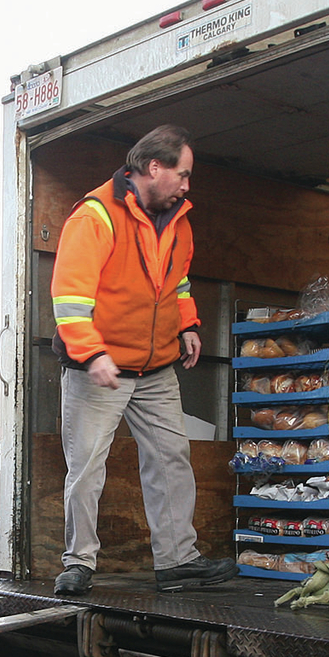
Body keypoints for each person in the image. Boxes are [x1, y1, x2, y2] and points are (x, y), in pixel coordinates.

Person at [50, 123, 237, 596]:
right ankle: (78, 563)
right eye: (184, 173)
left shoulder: (178, 220)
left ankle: (177, 562)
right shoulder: (95, 217)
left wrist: (189, 325)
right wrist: (91, 354)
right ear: (154, 167)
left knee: (172, 459)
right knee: (88, 466)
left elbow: (177, 283)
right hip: (99, 367)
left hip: (155, 367)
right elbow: (70, 297)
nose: (188, 184)